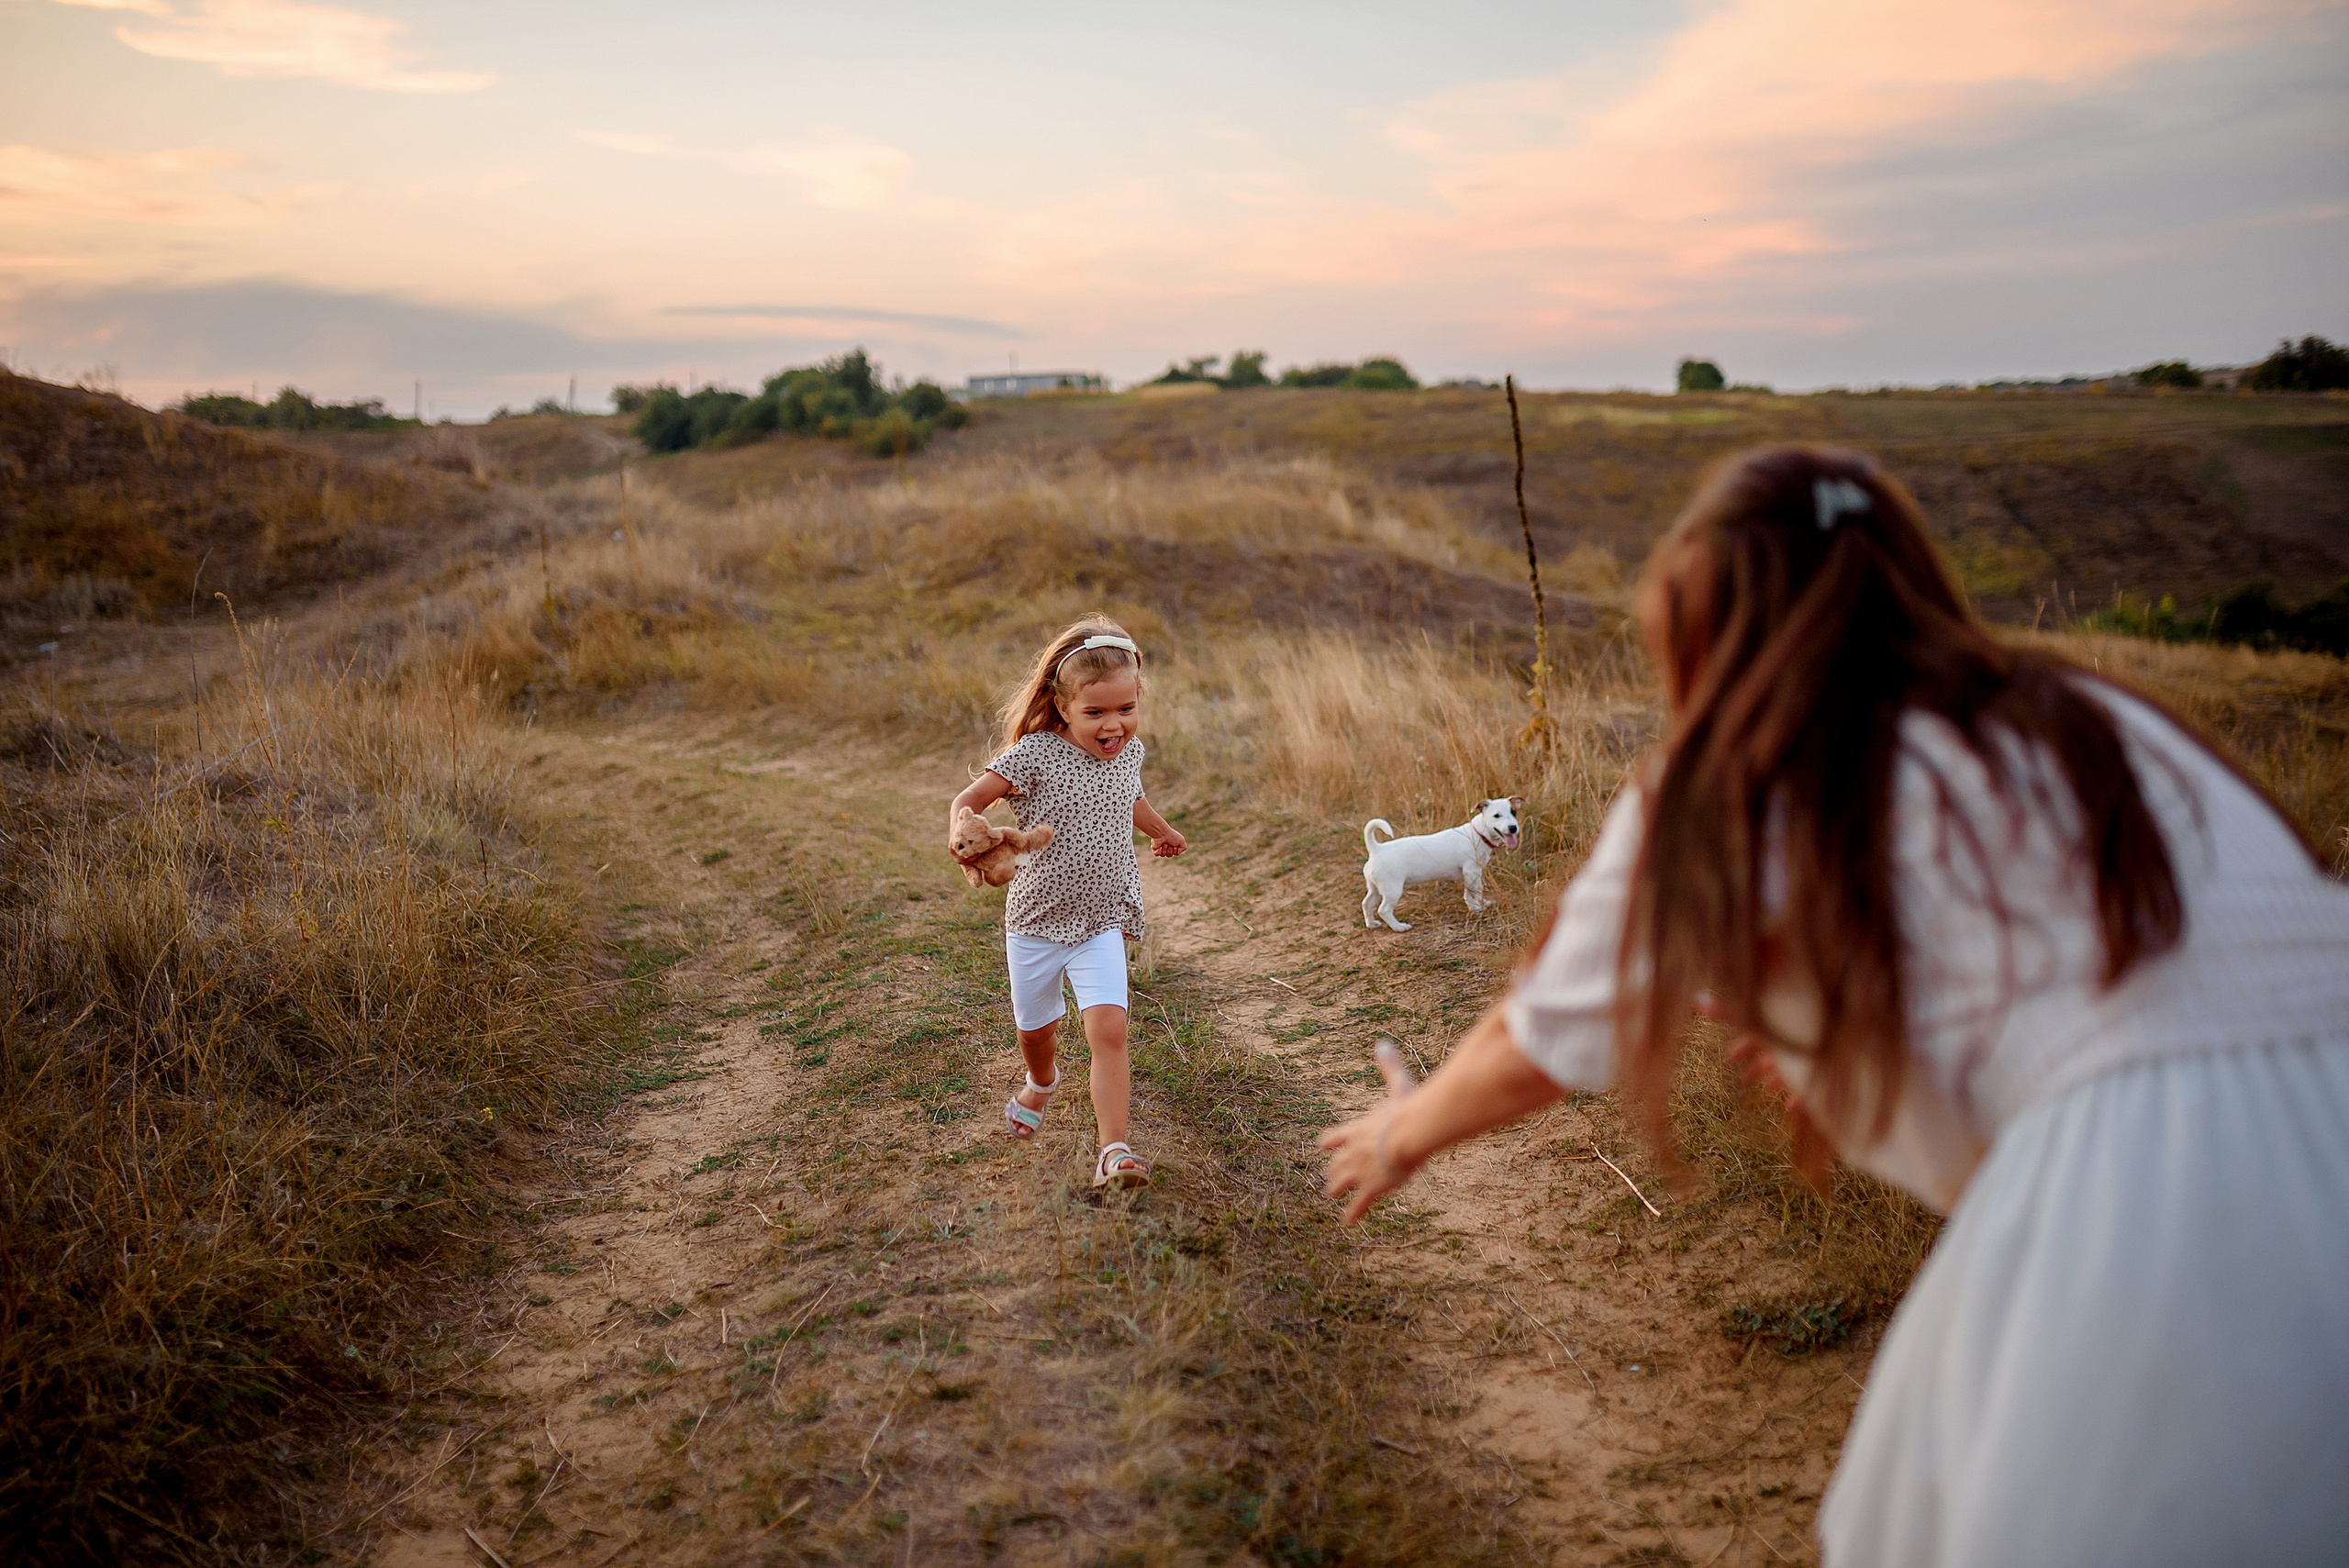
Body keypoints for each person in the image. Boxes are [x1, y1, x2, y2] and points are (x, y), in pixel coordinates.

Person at [1319, 445, 2349, 1566]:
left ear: (1703, 627)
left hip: (2132, 1224)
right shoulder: (2100, 716)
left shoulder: (1737, 768)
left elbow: (1545, 1033)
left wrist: (1399, 1129)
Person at [949, 614, 1186, 1189]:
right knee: (1037, 1031)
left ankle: (1115, 1151)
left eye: (1126, 709)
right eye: (1097, 713)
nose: (1115, 726)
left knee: (1109, 1030)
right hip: (1035, 920)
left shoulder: (1128, 754)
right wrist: (962, 830)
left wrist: (1158, 829)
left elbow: (1129, 796)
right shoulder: (1033, 755)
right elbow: (970, 796)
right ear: (1062, 707)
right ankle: (1043, 1081)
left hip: (1102, 917)